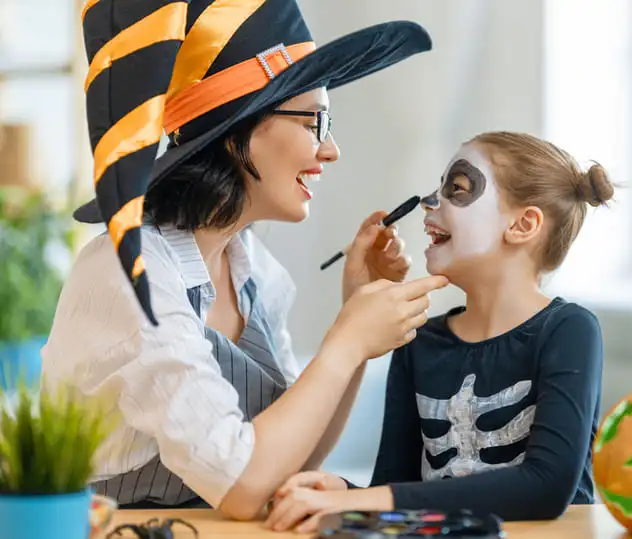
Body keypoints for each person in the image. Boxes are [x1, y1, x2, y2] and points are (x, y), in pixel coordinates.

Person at [40, 0, 448, 521]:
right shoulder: (133, 272)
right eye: (315, 122)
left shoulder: (255, 270)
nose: (332, 151)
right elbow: (240, 487)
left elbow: (290, 464)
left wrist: (355, 316)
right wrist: (347, 341)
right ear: (237, 136)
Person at [266, 131, 612, 531]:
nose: (429, 202)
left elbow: (546, 486)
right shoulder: (419, 341)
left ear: (522, 224)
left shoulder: (569, 330)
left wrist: (365, 498)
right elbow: (394, 489)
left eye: (458, 189)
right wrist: (342, 492)